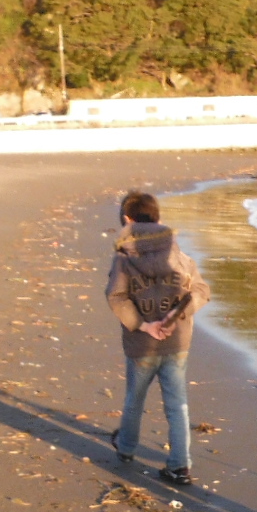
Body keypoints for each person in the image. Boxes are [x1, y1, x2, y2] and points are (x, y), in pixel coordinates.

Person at [104, 190, 211, 486]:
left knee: (134, 400)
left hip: (142, 344)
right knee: (177, 404)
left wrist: (142, 325)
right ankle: (180, 465)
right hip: (177, 341)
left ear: (127, 219)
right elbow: (201, 291)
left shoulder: (124, 257)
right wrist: (175, 316)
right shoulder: (178, 254)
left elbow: (116, 296)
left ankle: (126, 448)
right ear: (158, 218)